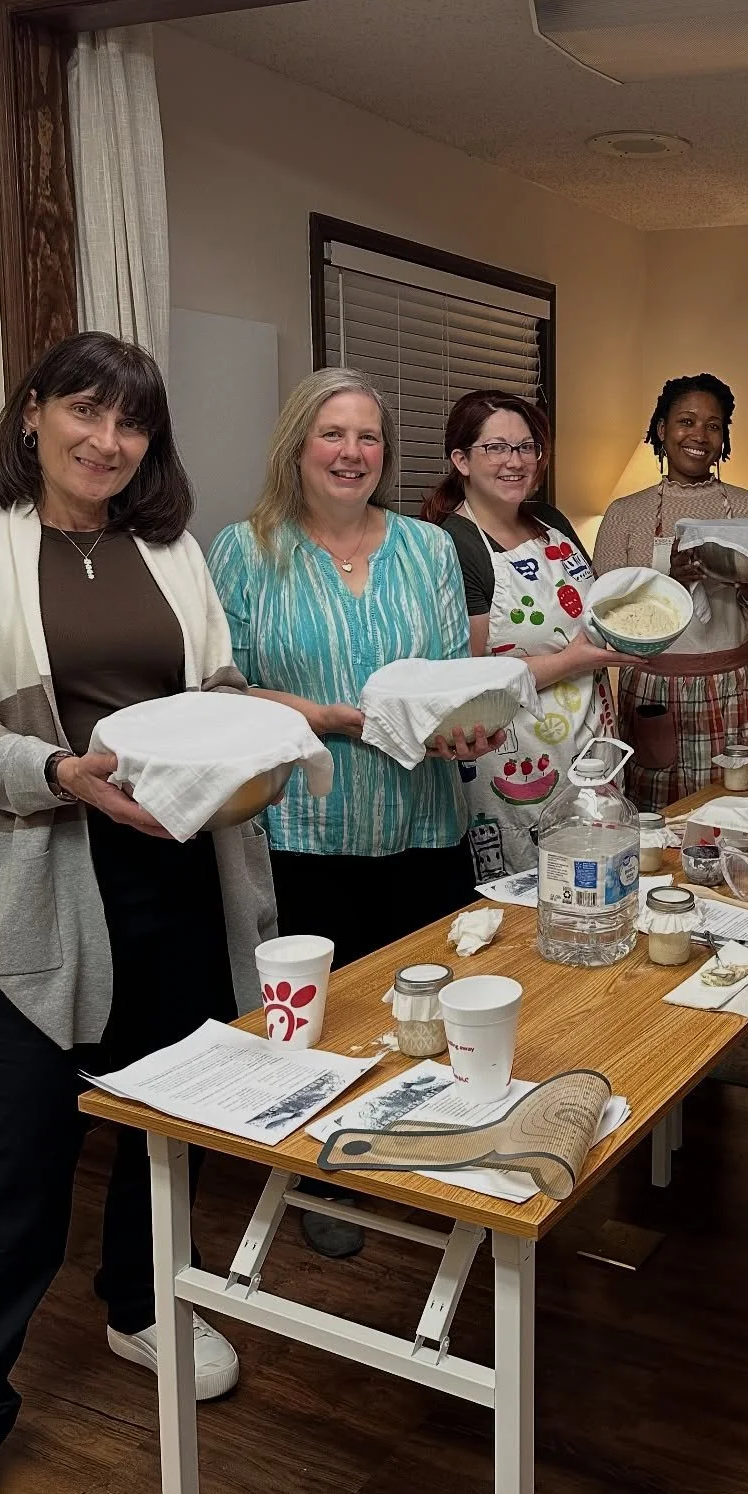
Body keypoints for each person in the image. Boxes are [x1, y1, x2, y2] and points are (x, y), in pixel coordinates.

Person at [0, 333, 276, 1494]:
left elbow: (214, 682)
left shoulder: (170, 547)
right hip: (39, 883)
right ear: (32, 413)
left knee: (172, 1117)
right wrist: (52, 772)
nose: (109, 441)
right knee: (15, 1159)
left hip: (180, 875)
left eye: (133, 423)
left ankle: (143, 1303)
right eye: (85, 413)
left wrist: (248, 724)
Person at [208, 368, 497, 1258]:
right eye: (333, 433)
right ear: (297, 445)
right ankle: (322, 1171)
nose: (352, 452)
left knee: (425, 1012)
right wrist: (332, 718)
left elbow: (450, 681)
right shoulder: (244, 550)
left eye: (368, 436)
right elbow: (230, 689)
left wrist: (467, 729)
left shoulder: (428, 546)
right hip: (305, 831)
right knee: (316, 1025)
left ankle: (427, 1153)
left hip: (423, 823)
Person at [423, 390, 641, 878]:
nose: (515, 461)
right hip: (516, 759)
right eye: (496, 448)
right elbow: (471, 681)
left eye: (527, 448)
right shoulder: (456, 545)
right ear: (461, 459)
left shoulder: (552, 521)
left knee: (602, 884)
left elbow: (587, 615)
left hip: (591, 743)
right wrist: (576, 661)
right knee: (534, 898)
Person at [594, 374, 748, 810]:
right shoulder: (625, 514)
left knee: (737, 810)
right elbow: (602, 625)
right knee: (655, 815)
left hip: (735, 684)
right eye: (686, 421)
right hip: (654, 691)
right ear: (662, 429)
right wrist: (669, 584)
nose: (699, 435)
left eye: (713, 425)